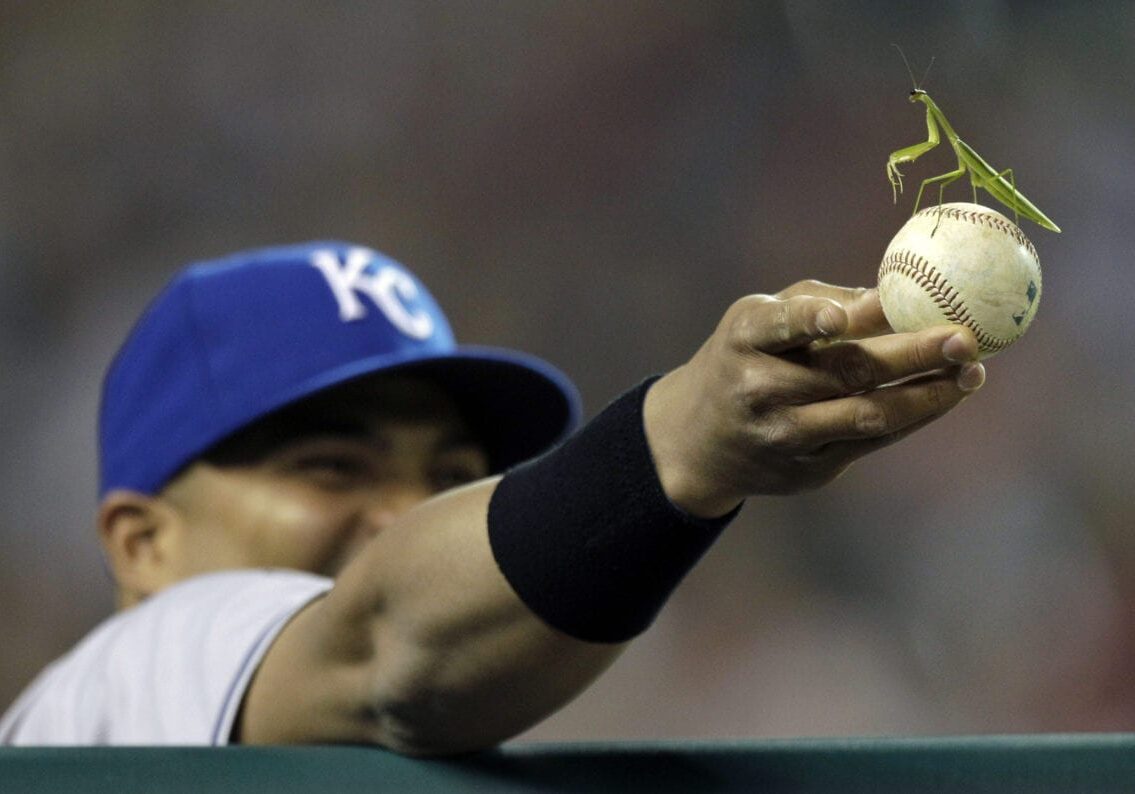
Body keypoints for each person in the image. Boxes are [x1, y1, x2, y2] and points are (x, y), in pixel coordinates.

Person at [0, 241, 984, 753]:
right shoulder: (123, 687)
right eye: (331, 467)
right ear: (143, 543)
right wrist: (682, 444)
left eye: (446, 476)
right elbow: (387, 642)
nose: (403, 516)